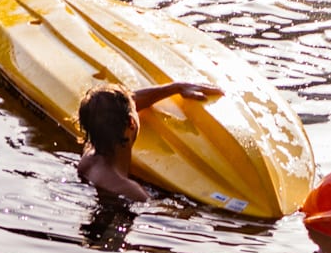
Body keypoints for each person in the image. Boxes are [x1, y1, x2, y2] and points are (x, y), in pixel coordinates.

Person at [75, 82, 224, 203]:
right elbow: (162, 215)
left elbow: (116, 108)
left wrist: (176, 87)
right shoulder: (130, 191)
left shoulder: (89, 158)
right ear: (131, 122)